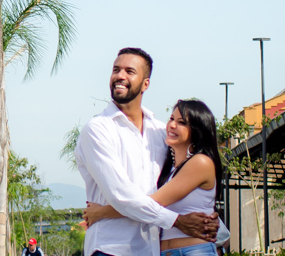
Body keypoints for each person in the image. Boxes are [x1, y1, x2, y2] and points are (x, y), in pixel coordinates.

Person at [75, 48, 219, 256]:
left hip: (152, 249)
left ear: (145, 84)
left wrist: (210, 221)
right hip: (112, 247)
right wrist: (177, 221)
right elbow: (122, 196)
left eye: (129, 71)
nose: (120, 76)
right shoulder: (98, 129)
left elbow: (172, 193)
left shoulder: (160, 131)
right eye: (116, 69)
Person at [83, 99, 224, 256]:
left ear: (197, 131)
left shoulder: (200, 162)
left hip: (194, 251)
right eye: (172, 119)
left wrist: (102, 212)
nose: (171, 125)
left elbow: (152, 202)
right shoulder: (170, 169)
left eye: (182, 122)